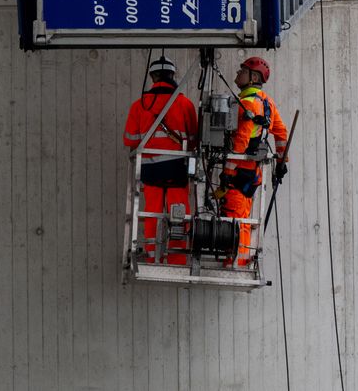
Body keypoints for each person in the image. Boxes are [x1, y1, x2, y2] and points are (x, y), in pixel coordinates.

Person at [122, 55, 199, 266]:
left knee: (152, 212)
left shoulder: (139, 105)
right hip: (177, 169)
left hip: (150, 170)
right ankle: (177, 256)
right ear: (173, 76)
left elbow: (130, 140)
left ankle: (150, 251)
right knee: (179, 212)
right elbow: (194, 140)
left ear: (153, 77)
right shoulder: (184, 104)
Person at [216, 54, 289, 266]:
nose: (237, 74)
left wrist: (227, 172)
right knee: (244, 217)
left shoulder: (248, 103)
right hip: (253, 172)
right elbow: (281, 133)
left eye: (242, 71)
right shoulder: (268, 103)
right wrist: (282, 162)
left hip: (240, 171)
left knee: (234, 217)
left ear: (253, 78)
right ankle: (241, 259)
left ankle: (236, 263)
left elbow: (240, 141)